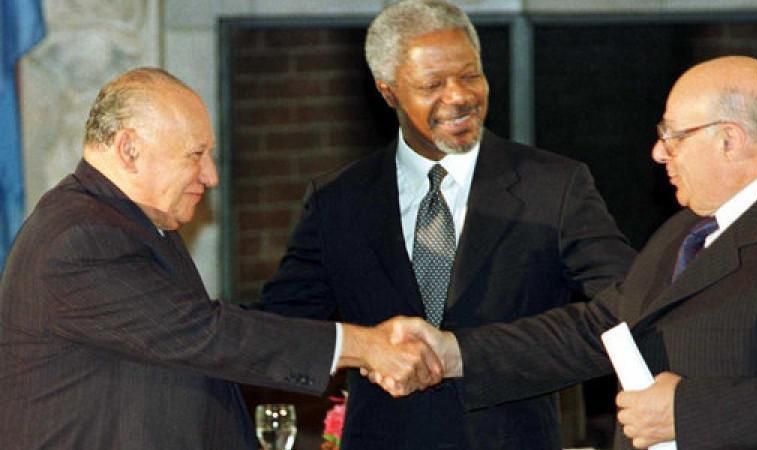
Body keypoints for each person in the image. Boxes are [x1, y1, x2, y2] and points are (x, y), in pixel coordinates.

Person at [393, 55, 757, 449]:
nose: (659, 153)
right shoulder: (690, 227)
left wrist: (682, 412)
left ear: (729, 140)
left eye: (672, 136)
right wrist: (454, 353)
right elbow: (601, 327)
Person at [258, 0, 636, 448]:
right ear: (388, 92)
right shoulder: (338, 200)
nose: (459, 97)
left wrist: (465, 354)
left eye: (470, 75)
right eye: (433, 84)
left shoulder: (554, 187)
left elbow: (628, 308)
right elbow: (280, 330)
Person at [0, 67, 441, 449]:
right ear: (129, 149)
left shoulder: (128, 221)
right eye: (196, 155)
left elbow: (190, 336)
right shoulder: (81, 239)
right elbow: (204, 333)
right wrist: (364, 346)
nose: (210, 176)